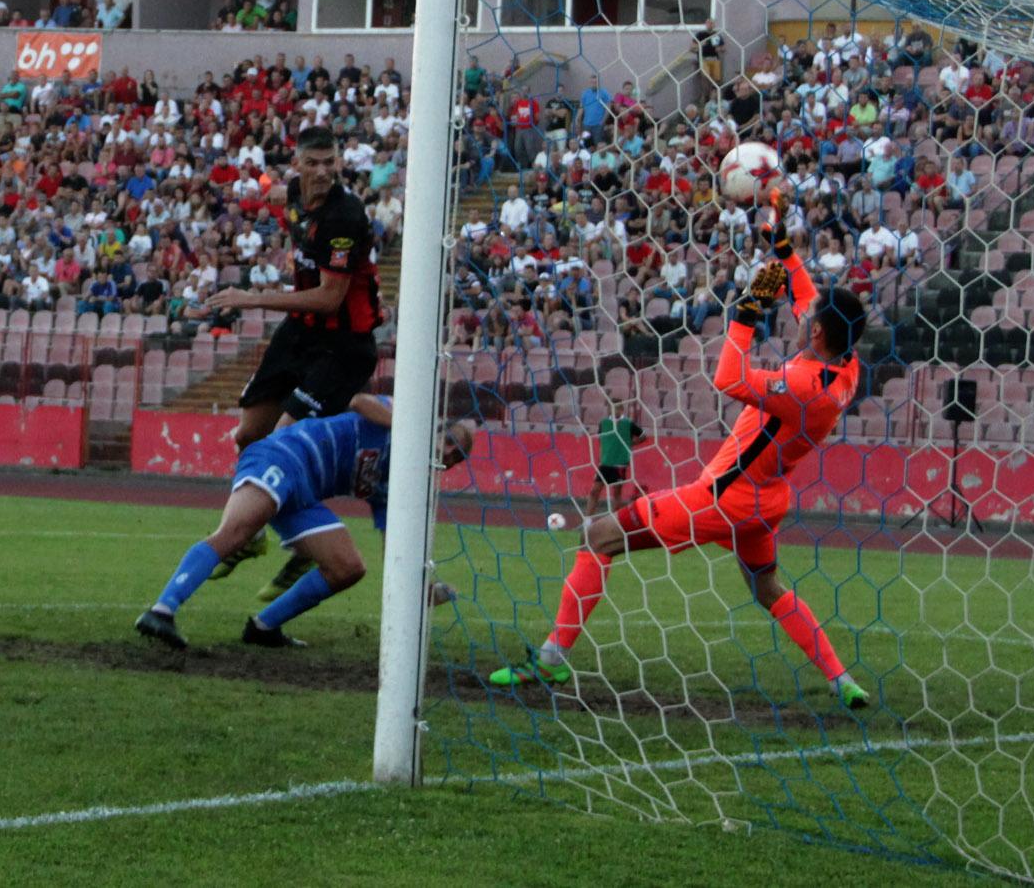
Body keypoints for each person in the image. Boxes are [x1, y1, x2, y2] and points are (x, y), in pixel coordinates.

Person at [488, 222, 873, 711]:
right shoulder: (846, 367)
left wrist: (748, 308)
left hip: (720, 499)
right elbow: (806, 293)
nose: (802, 310)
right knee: (768, 587)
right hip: (767, 502)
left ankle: (550, 658)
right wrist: (781, 250)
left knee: (597, 536)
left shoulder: (801, 385)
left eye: (809, 315)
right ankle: (843, 680)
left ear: (816, 330)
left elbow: (726, 377)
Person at [203, 127, 386, 599]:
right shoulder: (292, 201)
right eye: (315, 162)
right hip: (301, 334)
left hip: (343, 344)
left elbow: (331, 297)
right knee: (248, 436)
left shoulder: (345, 216)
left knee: (283, 440)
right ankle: (257, 537)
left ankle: (306, 549)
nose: (324, 171)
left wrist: (252, 298)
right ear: (298, 165)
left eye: (332, 161)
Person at [136, 396, 473, 649]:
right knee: (236, 533)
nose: (448, 454)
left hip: (306, 496)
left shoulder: (400, 484)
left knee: (348, 567)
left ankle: (263, 628)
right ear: (437, 428)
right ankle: (162, 610)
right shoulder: (399, 416)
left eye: (457, 456)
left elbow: (394, 547)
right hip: (283, 456)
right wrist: (411, 427)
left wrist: (419, 591)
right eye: (449, 442)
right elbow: (358, 401)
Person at [585, 397, 648, 517]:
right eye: (611, 408)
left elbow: (643, 436)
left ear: (621, 410)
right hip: (605, 463)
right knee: (594, 491)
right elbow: (602, 440)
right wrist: (602, 457)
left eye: (616, 409)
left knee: (616, 493)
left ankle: (613, 521)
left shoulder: (628, 424)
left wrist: (630, 443)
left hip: (620, 464)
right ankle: (587, 522)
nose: (613, 411)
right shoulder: (604, 423)